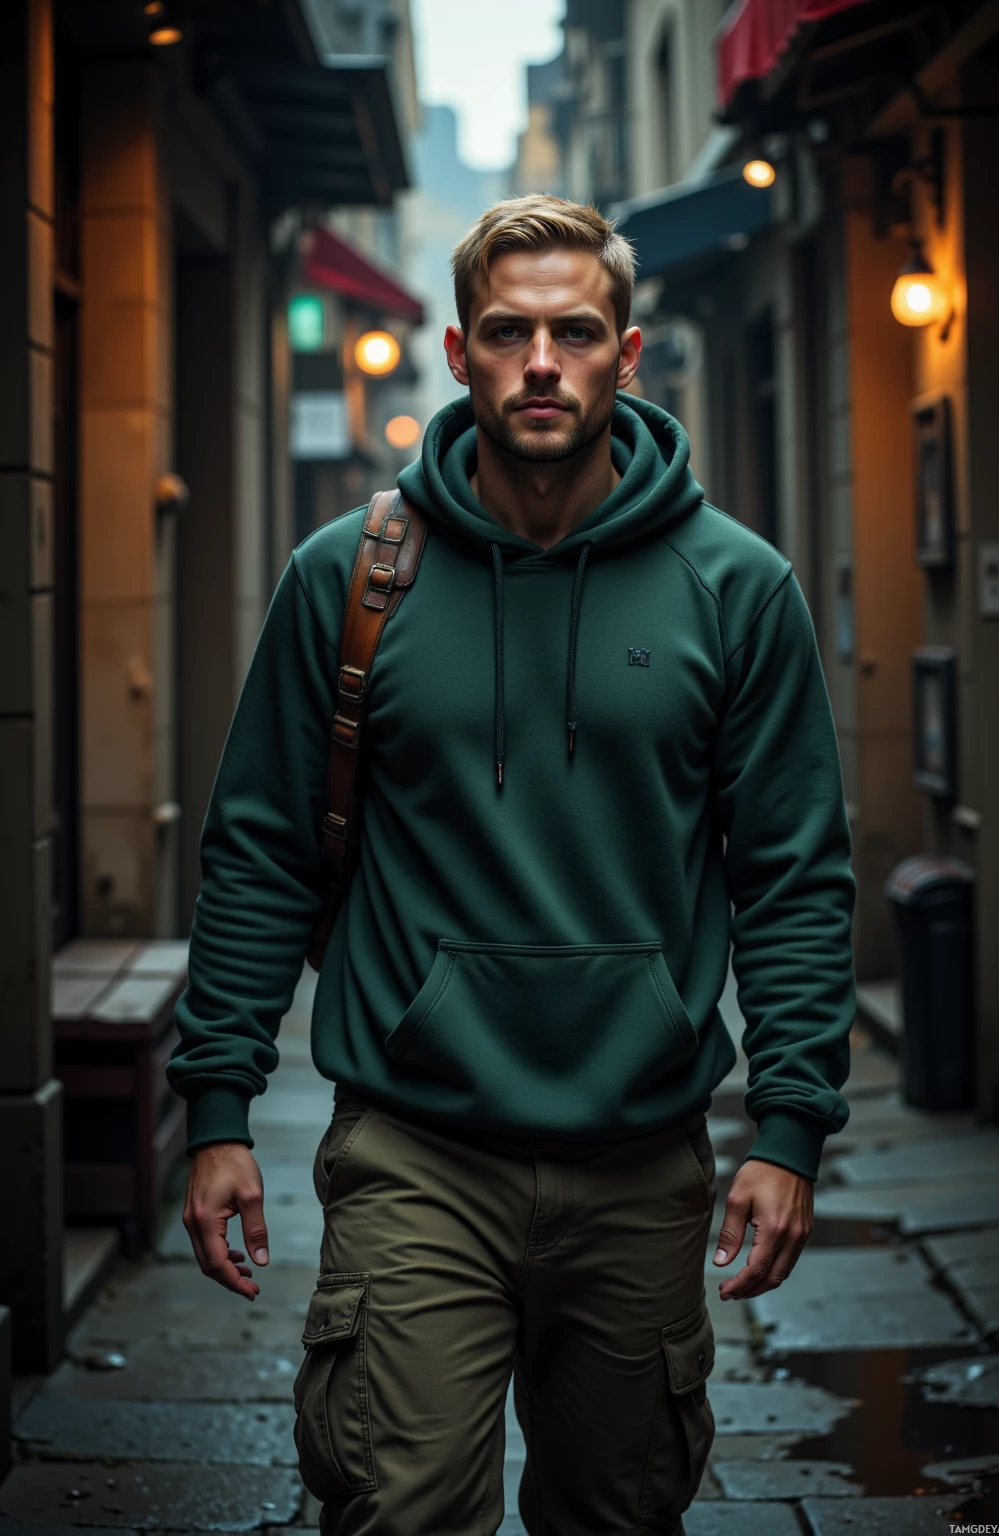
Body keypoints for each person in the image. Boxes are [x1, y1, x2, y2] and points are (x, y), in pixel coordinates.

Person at [168, 195, 856, 1535]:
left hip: (640, 1157)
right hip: (413, 1149)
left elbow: (792, 873)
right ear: (458, 351)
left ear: (627, 354)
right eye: (507, 332)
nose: (542, 362)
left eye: (575, 332)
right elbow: (258, 850)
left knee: (620, 1513)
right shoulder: (349, 580)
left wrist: (791, 1128)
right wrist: (218, 1109)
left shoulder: (736, 587)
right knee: (401, 1510)